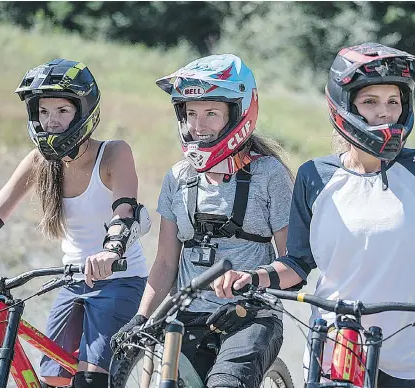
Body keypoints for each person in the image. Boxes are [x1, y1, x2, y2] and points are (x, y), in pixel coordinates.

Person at [220, 42, 415, 387]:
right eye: (370, 102)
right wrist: (252, 277)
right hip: (336, 350)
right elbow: (298, 262)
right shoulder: (314, 176)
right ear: (344, 106)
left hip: (411, 360)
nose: (384, 112)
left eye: (393, 101)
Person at [0, 58, 151, 388]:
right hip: (71, 280)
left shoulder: (114, 153)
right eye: (43, 112)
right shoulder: (39, 161)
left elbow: (125, 210)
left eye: (62, 111)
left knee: (91, 380)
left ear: (84, 111)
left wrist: (111, 252)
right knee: (53, 377)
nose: (51, 121)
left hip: (120, 279)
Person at [111, 54, 297, 388]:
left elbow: (293, 265)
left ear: (237, 113)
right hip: (187, 318)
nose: (199, 125)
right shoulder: (177, 178)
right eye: (191, 113)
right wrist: (141, 318)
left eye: (211, 113)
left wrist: (251, 280)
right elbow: (166, 262)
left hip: (250, 317)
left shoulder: (269, 175)